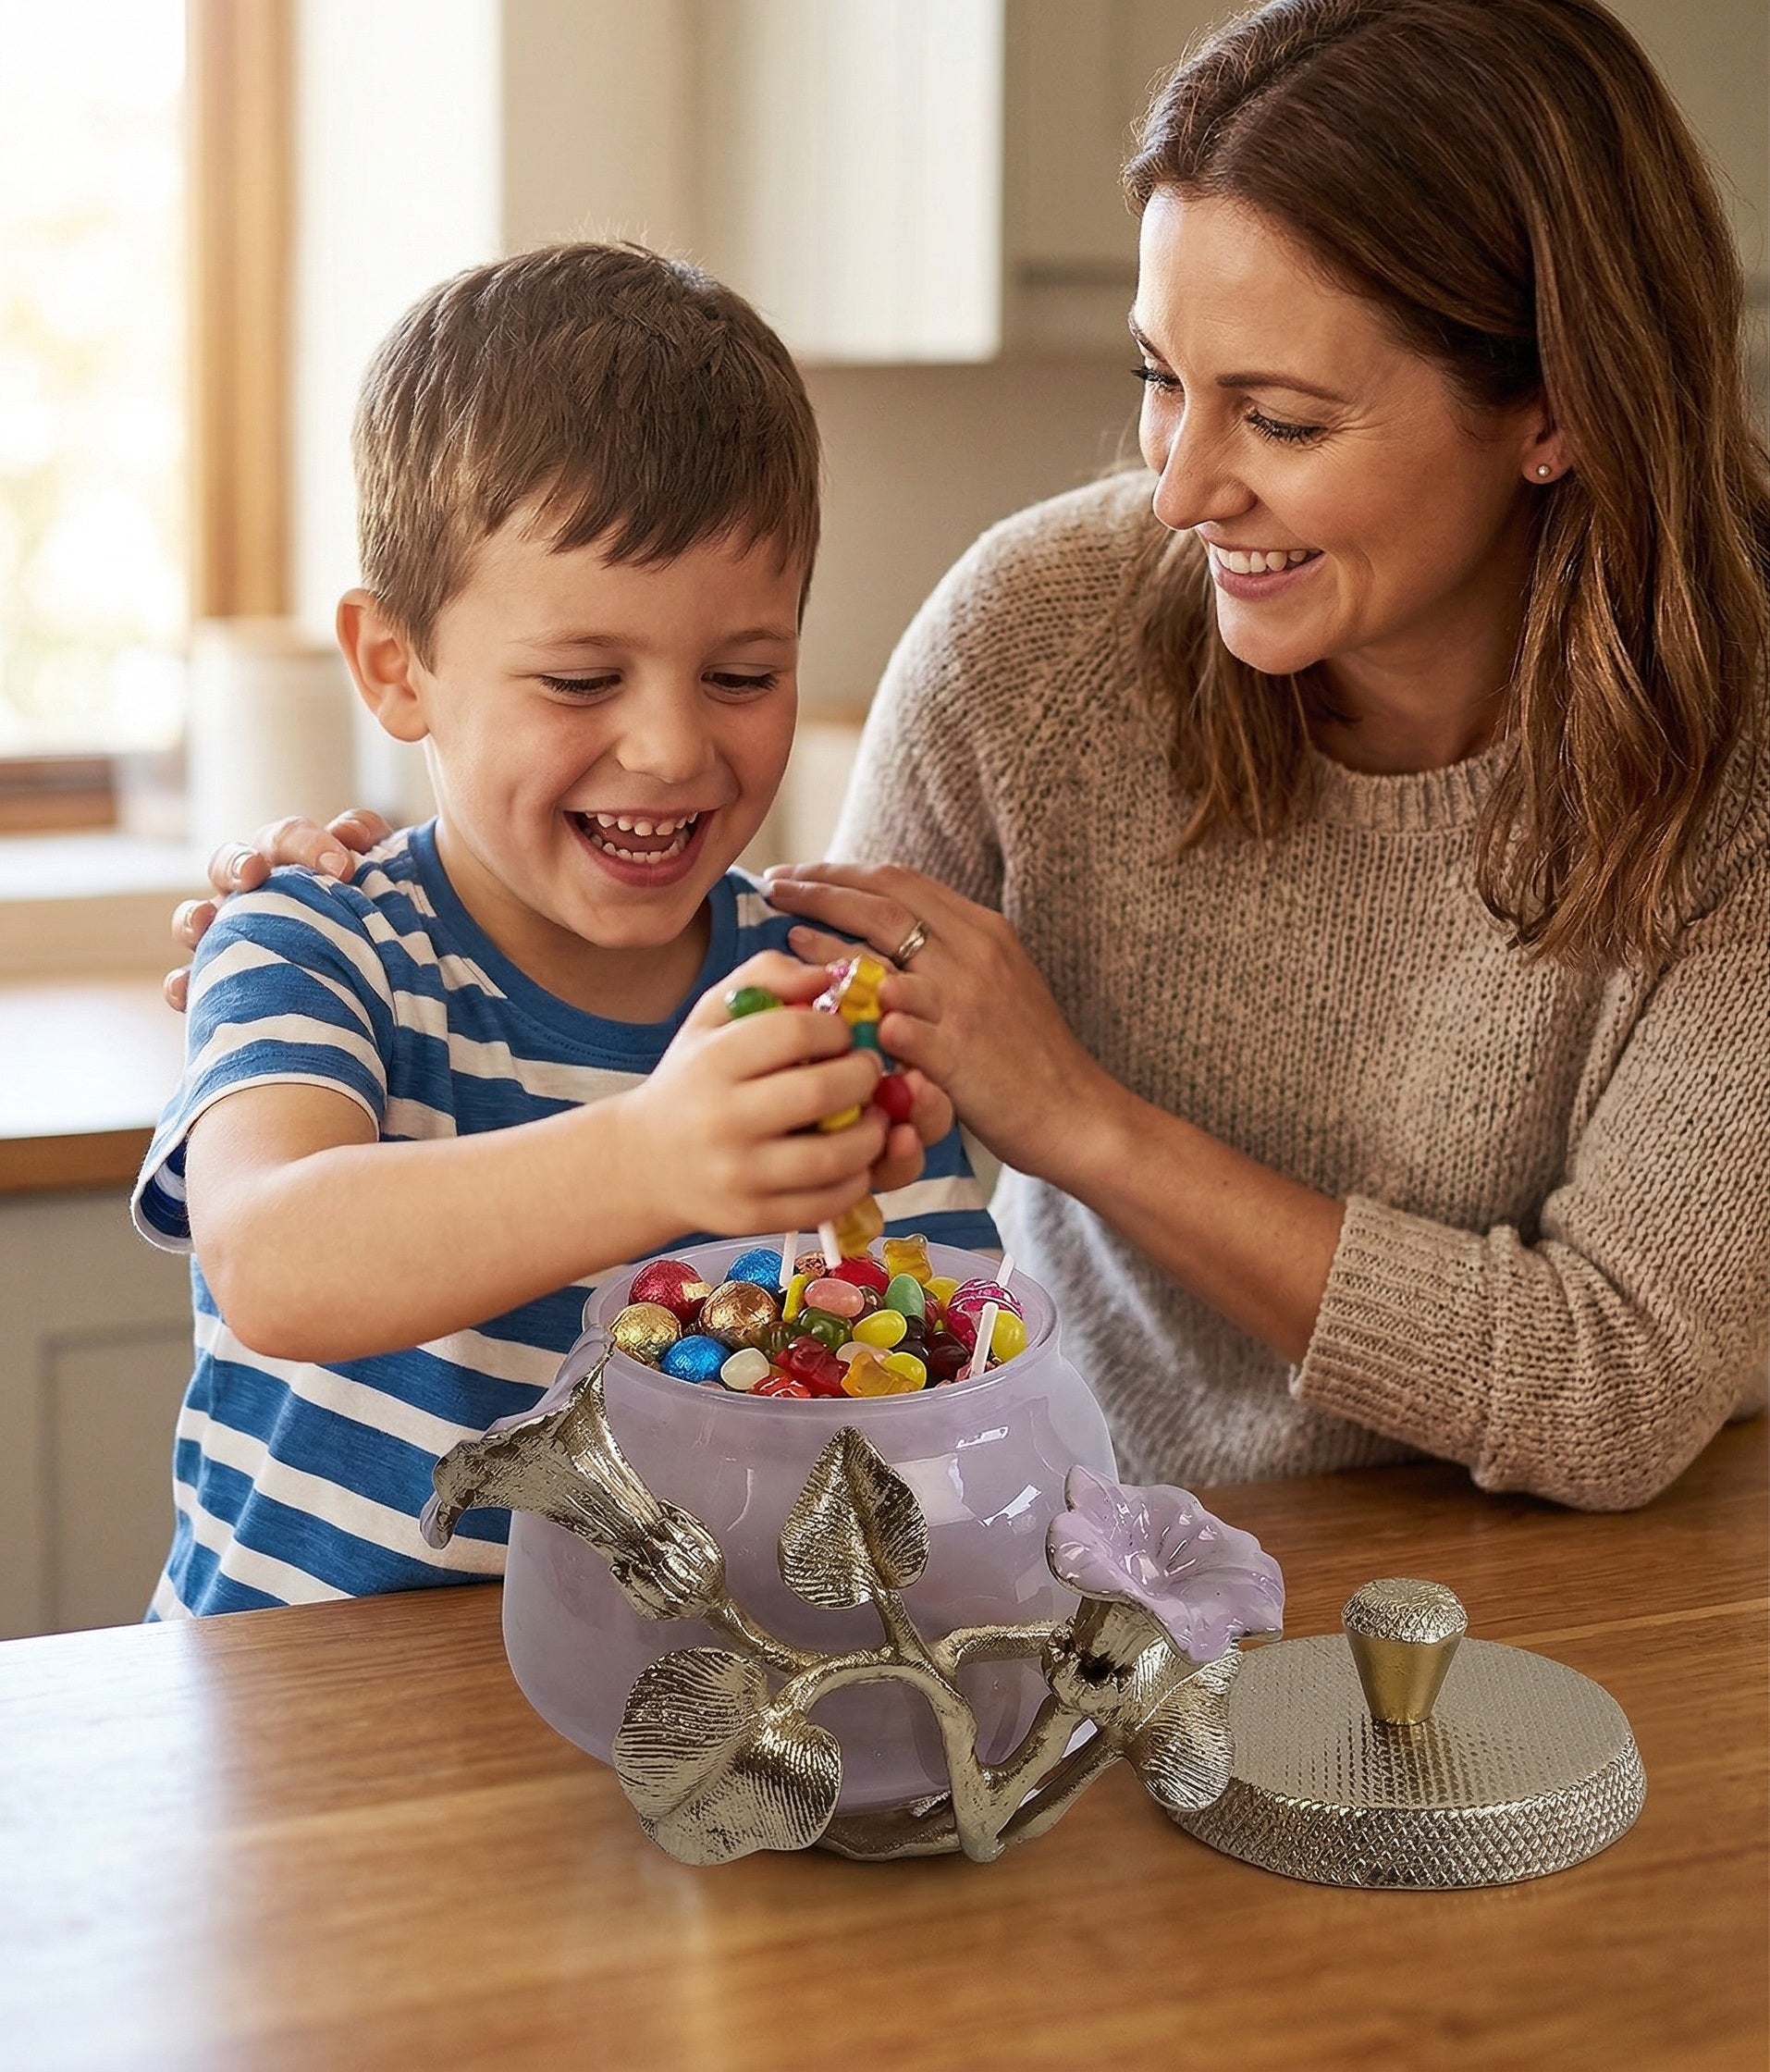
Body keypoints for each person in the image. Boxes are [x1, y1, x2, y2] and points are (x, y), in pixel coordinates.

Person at [175, 0, 1767, 1512]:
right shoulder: (1039, 636)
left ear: (1549, 409)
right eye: (1158, 380)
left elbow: (1609, 1383)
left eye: (1276, 418)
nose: (1177, 488)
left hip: (1612, 1586)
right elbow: (315, 1234)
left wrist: (1075, 1117)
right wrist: (350, 899)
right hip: (1109, 1566)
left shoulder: (1734, 779)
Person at [135, 244, 995, 1618]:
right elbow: (272, 1263)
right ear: (394, 666)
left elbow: (929, 1401)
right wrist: (654, 1156)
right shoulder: (313, 944)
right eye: (581, 677)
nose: (668, 747)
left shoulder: (822, 1005)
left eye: (741, 674)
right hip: (302, 1770)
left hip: (662, 1746)